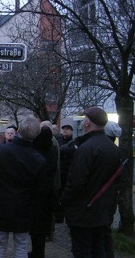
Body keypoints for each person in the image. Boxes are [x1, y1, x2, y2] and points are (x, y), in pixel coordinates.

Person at [61, 107, 121, 258]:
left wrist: (64, 201)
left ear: (88, 123)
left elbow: (76, 182)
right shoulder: (112, 148)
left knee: (83, 250)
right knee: (98, 248)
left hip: (84, 212)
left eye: (84, 119)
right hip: (102, 210)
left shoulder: (86, 148)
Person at [0, 117, 46, 258]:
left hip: (2, 203)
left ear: (18, 131)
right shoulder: (39, 159)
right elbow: (40, 189)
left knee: (0, 242)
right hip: (24, 206)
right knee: (21, 244)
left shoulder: (1, 150)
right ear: (36, 135)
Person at [29, 126, 58, 258]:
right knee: (42, 226)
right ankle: (39, 251)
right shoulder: (52, 148)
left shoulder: (35, 150)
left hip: (35, 193)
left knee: (35, 228)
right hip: (48, 193)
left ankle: (36, 252)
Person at [103, 121, 122, 258]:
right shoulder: (116, 151)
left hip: (102, 197)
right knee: (106, 231)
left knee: (103, 232)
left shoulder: (106, 150)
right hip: (110, 197)